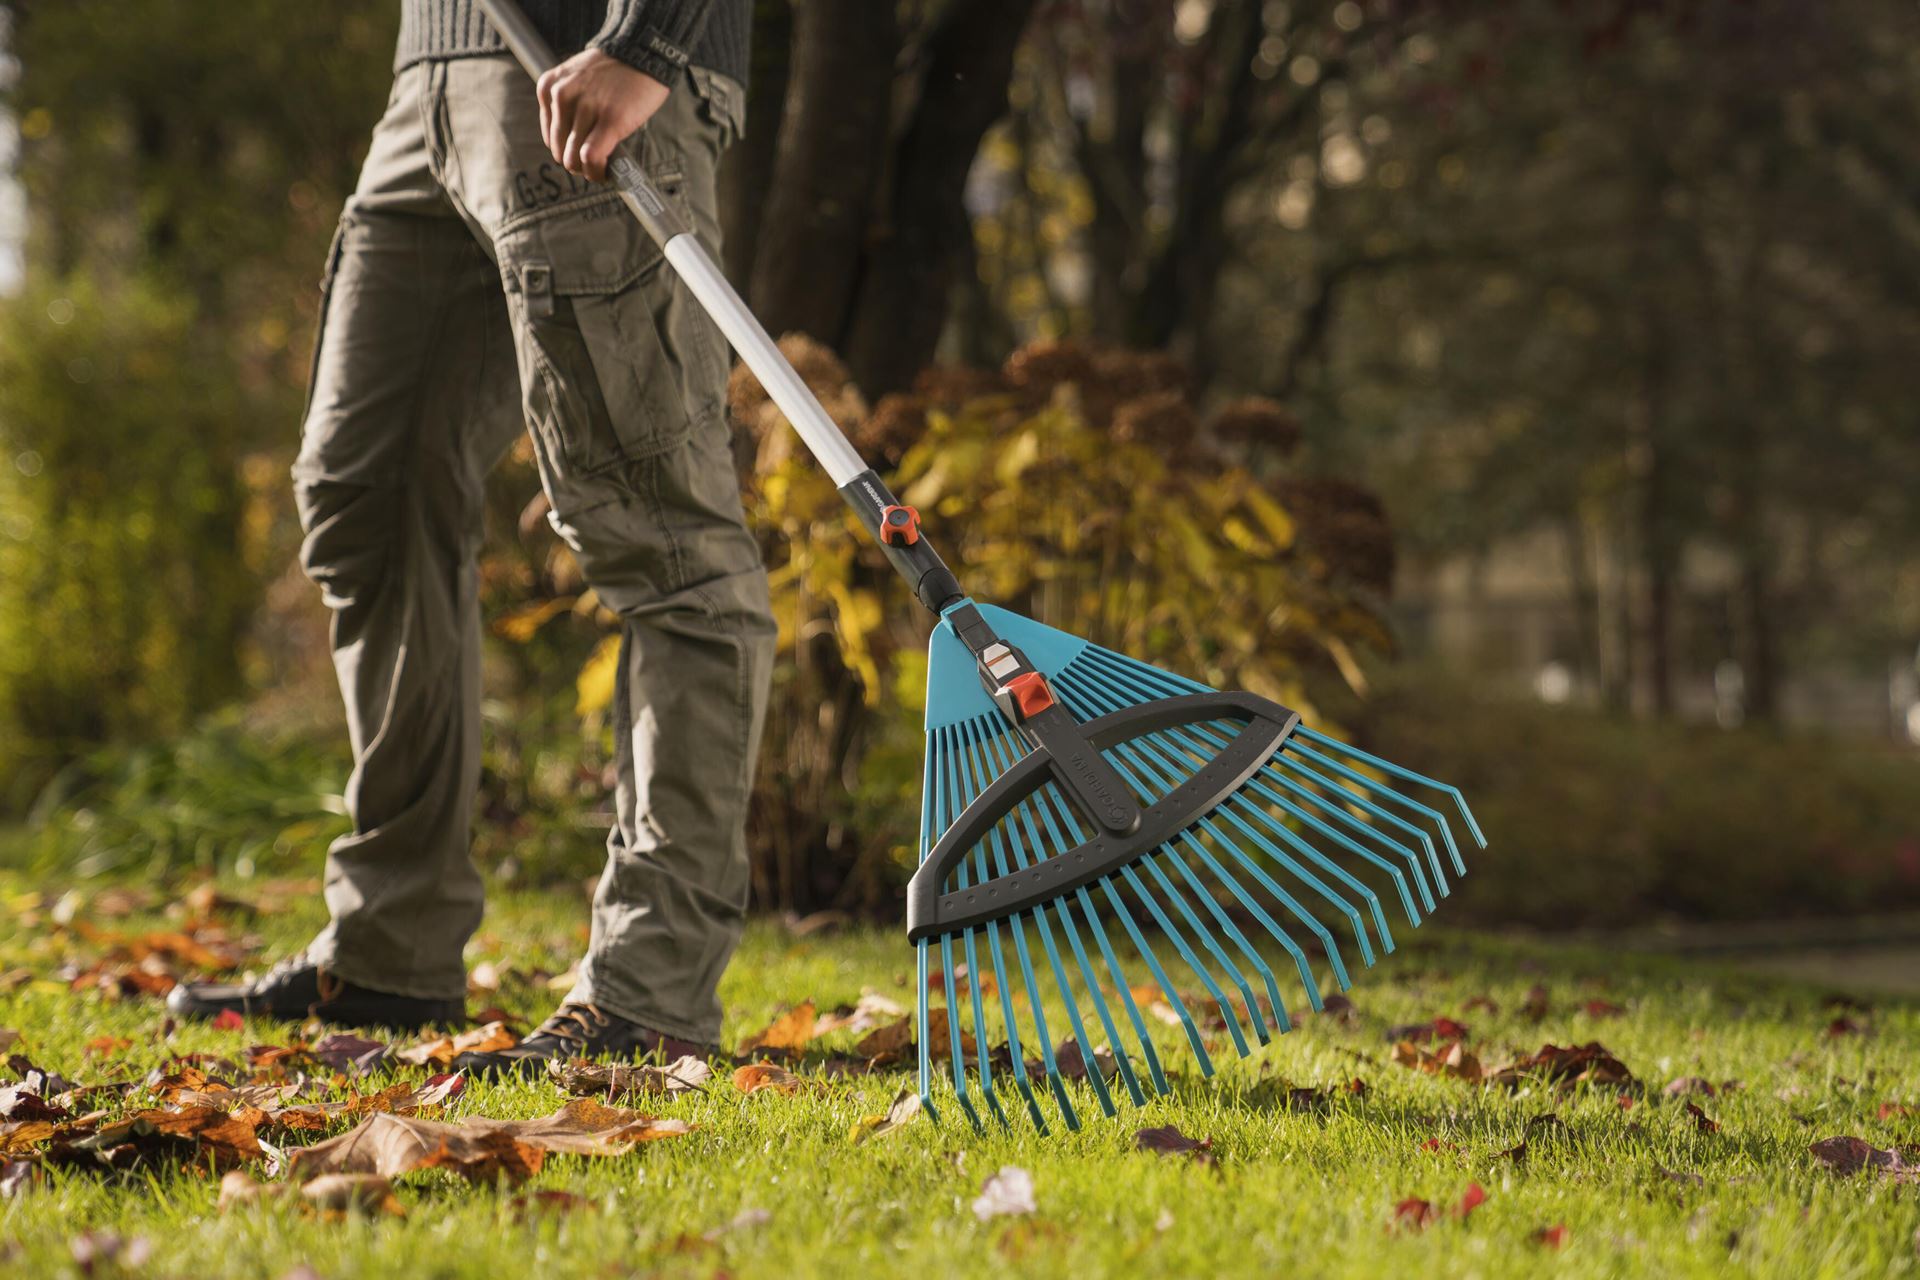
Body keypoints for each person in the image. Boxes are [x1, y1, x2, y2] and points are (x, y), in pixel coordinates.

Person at [167, 0, 773, 1078]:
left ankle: (650, 989)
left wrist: (651, 40)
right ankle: (393, 939)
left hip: (592, 63)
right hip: (433, 74)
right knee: (368, 495)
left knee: (655, 528)